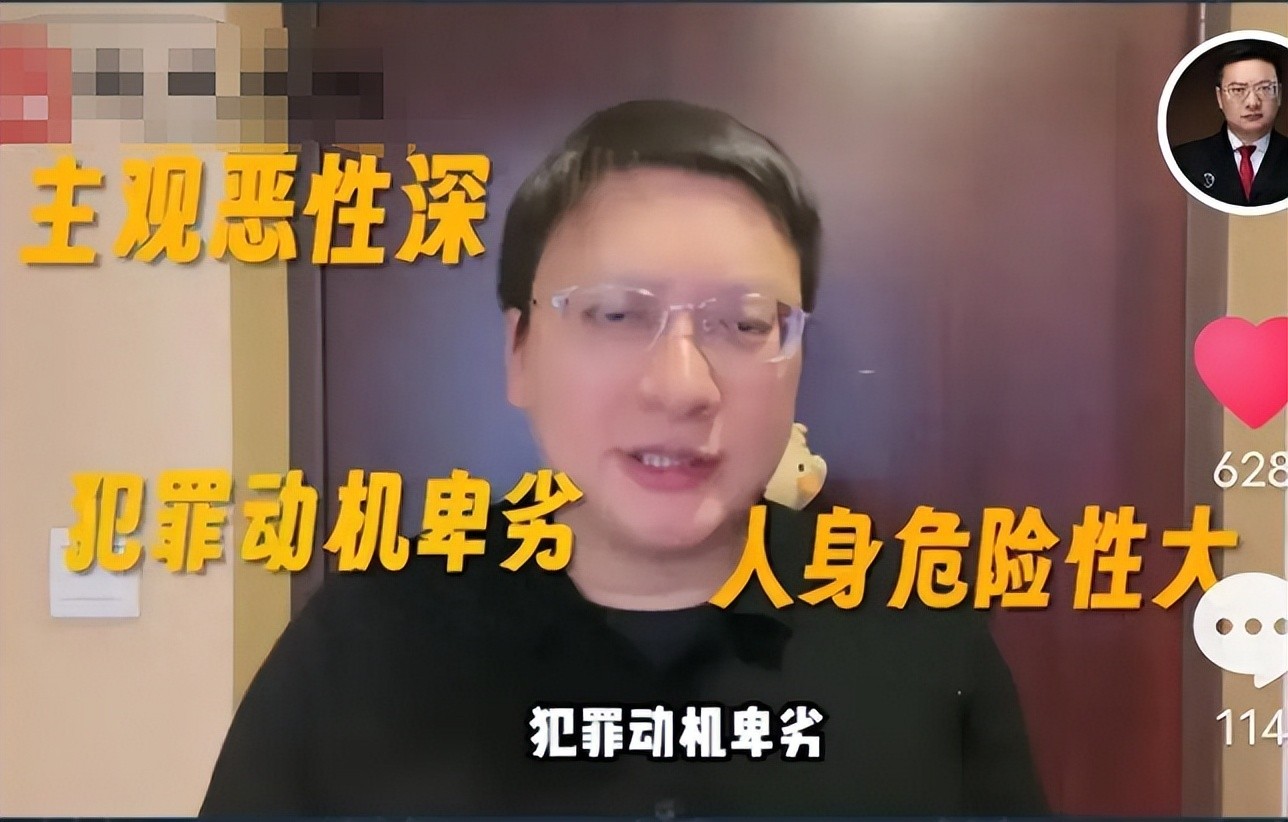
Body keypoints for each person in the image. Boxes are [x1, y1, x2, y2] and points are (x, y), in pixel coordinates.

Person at [199, 99, 1048, 817]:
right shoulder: (360, 651)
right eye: (614, 314)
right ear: (519, 352)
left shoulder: (924, 640)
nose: (682, 387)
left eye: (746, 323)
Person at [1173, 41, 1288, 207]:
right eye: (1238, 90)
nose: (1252, 103)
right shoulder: (1186, 161)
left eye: (1264, 88)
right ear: (1219, 97)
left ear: (1279, 94)